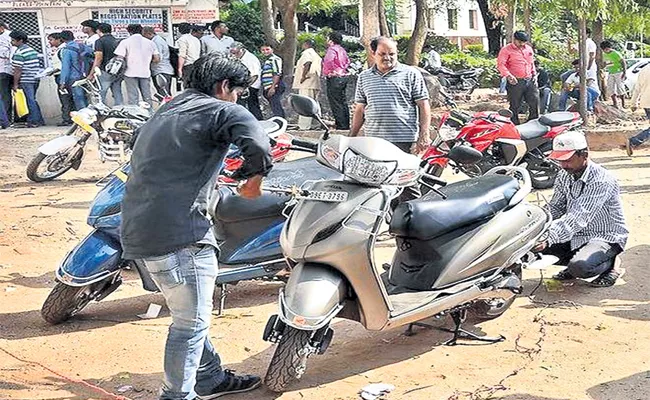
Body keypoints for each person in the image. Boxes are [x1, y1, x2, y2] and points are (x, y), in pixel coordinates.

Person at [121, 53, 271, 400]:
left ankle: (209, 378)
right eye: (238, 92)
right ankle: (177, 396)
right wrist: (253, 181)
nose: (238, 99)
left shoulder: (168, 109)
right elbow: (259, 147)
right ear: (223, 87)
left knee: (189, 310)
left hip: (138, 230)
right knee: (189, 326)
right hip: (180, 236)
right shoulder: (222, 109)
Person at [536, 131, 628, 287]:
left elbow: (580, 216)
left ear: (584, 155)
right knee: (527, 248)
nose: (564, 165)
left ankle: (611, 263)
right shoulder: (564, 175)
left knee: (580, 267)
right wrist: (537, 224)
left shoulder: (601, 180)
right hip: (576, 235)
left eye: (568, 160)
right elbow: (556, 206)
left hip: (604, 236)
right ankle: (576, 262)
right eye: (560, 161)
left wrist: (549, 237)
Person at [351, 37, 430, 202]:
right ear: (373, 53)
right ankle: (386, 222)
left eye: (392, 53)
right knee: (377, 186)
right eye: (382, 53)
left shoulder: (411, 74)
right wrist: (352, 137)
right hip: (374, 142)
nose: (387, 57)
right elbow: (360, 110)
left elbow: (423, 105)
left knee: (407, 186)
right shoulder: (364, 77)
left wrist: (424, 134)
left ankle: (415, 221)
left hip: (403, 139)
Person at [497, 31, 538, 125]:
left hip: (530, 79)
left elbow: (531, 63)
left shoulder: (528, 49)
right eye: (520, 42)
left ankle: (534, 122)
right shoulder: (506, 50)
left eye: (524, 42)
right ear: (514, 39)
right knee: (515, 104)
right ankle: (514, 124)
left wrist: (534, 74)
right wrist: (508, 75)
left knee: (534, 101)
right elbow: (501, 65)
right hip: (515, 81)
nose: (522, 44)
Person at [114, 24, 160, 106]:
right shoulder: (150, 43)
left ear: (129, 32)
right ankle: (149, 113)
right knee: (147, 96)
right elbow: (157, 59)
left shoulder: (125, 42)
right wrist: (147, 61)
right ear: (142, 31)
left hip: (129, 72)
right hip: (145, 72)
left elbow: (119, 58)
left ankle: (134, 114)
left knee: (133, 96)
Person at [10, 30, 44, 128]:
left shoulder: (19, 52)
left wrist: (15, 84)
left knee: (29, 100)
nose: (11, 42)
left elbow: (18, 70)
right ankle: (38, 120)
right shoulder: (31, 50)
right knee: (32, 99)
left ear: (20, 40)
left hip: (26, 79)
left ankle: (33, 121)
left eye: (13, 40)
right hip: (35, 78)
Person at [88, 23, 123, 106]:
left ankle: (101, 112)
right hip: (118, 71)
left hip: (105, 71)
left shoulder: (99, 41)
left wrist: (92, 73)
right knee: (117, 92)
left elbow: (98, 58)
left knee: (101, 93)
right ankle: (120, 110)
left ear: (98, 31)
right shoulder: (116, 40)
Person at [322, 31, 350, 130]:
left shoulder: (332, 50)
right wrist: (341, 69)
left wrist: (332, 71)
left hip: (334, 77)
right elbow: (347, 61)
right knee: (342, 101)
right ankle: (346, 124)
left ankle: (341, 125)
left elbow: (329, 61)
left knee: (335, 102)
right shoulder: (342, 50)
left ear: (331, 40)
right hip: (343, 76)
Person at [292, 39, 322, 130]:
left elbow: (307, 63)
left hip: (307, 82)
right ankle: (316, 124)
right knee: (313, 103)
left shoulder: (307, 53)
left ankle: (304, 126)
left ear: (306, 44)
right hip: (313, 82)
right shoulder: (315, 54)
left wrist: (303, 76)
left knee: (305, 104)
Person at [230, 42, 263, 120]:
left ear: (242, 50)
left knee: (252, 106)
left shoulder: (250, 59)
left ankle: (259, 122)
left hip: (251, 85)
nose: (234, 55)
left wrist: (245, 87)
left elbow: (254, 76)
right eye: (233, 53)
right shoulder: (238, 57)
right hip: (242, 85)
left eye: (236, 53)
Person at [59, 30, 90, 111]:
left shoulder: (67, 50)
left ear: (62, 39)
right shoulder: (82, 46)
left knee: (79, 98)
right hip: (86, 75)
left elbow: (65, 68)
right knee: (87, 97)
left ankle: (84, 118)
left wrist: (63, 82)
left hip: (74, 77)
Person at [48, 32, 74, 126]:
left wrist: (52, 71)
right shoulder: (60, 49)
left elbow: (64, 66)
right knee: (67, 98)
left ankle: (67, 119)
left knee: (65, 98)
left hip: (62, 77)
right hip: (62, 76)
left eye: (51, 40)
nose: (50, 42)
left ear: (59, 40)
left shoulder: (63, 50)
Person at [624, 63, 650, 156]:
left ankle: (633, 142)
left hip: (646, 102)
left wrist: (633, 103)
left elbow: (637, 88)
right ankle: (634, 141)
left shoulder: (644, 69)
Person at [143, 27, 174, 100]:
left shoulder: (156, 42)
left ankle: (167, 109)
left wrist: (146, 62)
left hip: (161, 70)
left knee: (163, 94)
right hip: (163, 70)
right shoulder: (159, 39)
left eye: (144, 35)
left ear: (149, 34)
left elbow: (157, 58)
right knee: (165, 94)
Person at [260, 43, 285, 117]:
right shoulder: (267, 60)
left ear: (272, 50)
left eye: (267, 49)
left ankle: (281, 122)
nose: (265, 51)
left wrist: (273, 87)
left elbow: (277, 73)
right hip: (268, 86)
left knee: (276, 105)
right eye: (263, 50)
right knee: (274, 105)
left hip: (274, 85)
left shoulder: (275, 59)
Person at [601, 40, 627, 109]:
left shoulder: (616, 53)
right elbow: (604, 63)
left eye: (606, 49)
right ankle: (615, 103)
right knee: (610, 88)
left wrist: (624, 73)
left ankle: (623, 104)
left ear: (609, 48)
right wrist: (602, 68)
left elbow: (623, 62)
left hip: (618, 72)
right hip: (610, 72)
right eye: (604, 50)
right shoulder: (604, 54)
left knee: (620, 88)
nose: (605, 51)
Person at [0, 21, 13, 127]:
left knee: (4, 95)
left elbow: (11, 53)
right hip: (5, 69)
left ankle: (6, 120)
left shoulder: (9, 36)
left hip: (5, 70)